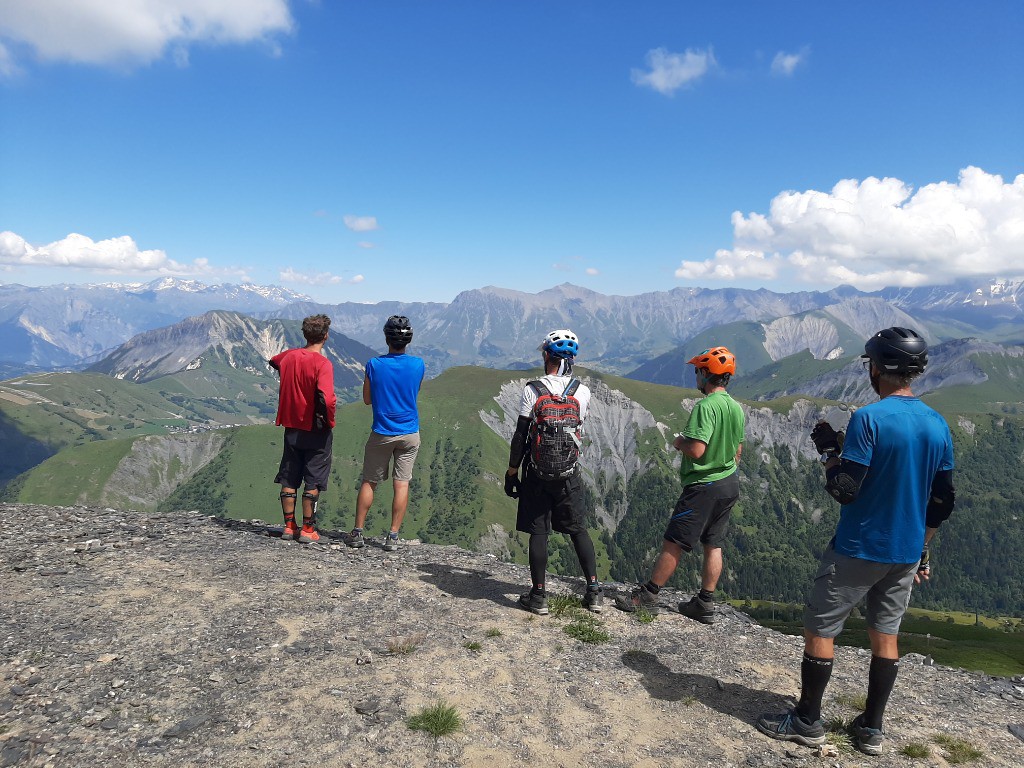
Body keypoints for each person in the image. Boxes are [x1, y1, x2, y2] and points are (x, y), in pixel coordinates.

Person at [757, 327, 955, 756]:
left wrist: (830, 452)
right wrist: (923, 548)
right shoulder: (938, 425)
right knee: (886, 634)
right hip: (905, 551)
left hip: (860, 545)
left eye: (870, 364)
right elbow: (942, 501)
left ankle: (807, 720)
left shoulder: (870, 418)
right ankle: (871, 728)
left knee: (820, 628)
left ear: (879, 369)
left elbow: (846, 488)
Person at [614, 346, 744, 624]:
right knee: (714, 543)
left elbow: (696, 450)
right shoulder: (736, 407)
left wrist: (677, 442)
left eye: (698, 371)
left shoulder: (706, 406)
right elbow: (738, 451)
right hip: (729, 482)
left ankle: (648, 597)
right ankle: (705, 603)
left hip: (704, 486)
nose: (695, 376)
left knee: (674, 542)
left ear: (707, 374)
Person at [504, 329, 603, 615]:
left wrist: (513, 472)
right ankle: (594, 591)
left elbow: (521, 435)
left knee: (539, 532)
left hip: (537, 473)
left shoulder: (532, 390)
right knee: (578, 530)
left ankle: (538, 597)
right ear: (572, 359)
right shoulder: (582, 391)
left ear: (547, 355)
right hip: (569, 473)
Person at [346, 316, 425, 551]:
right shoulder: (418, 364)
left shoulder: (374, 364)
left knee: (370, 481)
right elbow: (414, 392)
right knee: (402, 484)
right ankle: (392, 537)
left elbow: (367, 399)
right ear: (408, 339)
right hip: (410, 432)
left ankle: (358, 533)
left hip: (382, 431)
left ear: (386, 338)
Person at [270, 314, 337, 544]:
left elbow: (273, 360)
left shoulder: (289, 357)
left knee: (290, 474)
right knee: (313, 478)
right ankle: (308, 530)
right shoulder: (323, 364)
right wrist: (329, 420)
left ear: (304, 333)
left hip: (291, 425)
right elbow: (327, 398)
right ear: (326, 336)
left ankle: (289, 527)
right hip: (315, 427)